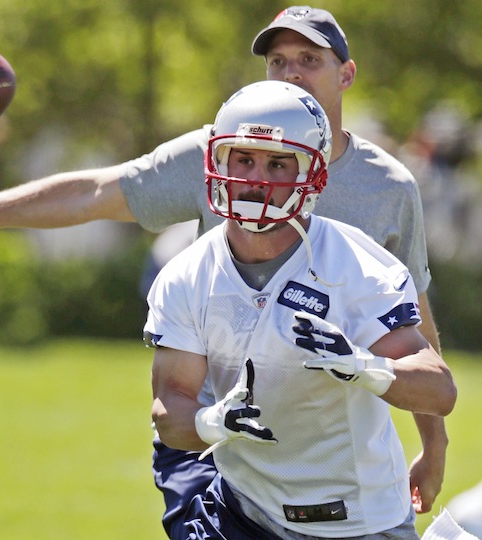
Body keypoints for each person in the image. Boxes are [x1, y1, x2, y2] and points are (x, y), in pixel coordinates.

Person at [0, 5, 448, 535]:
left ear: (346, 74)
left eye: (310, 60)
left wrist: (434, 442)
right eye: (278, 60)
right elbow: (93, 193)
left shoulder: (386, 185)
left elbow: (411, 316)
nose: (291, 74)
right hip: (210, 420)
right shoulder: (223, 148)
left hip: (324, 434)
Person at [145, 79, 456, 539]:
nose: (255, 179)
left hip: (359, 520)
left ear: (310, 172)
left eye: (276, 163)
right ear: (218, 159)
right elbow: (170, 409)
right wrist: (214, 422)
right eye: (244, 159)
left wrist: (367, 367)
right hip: (245, 510)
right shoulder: (187, 274)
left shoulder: (354, 265)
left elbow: (440, 391)